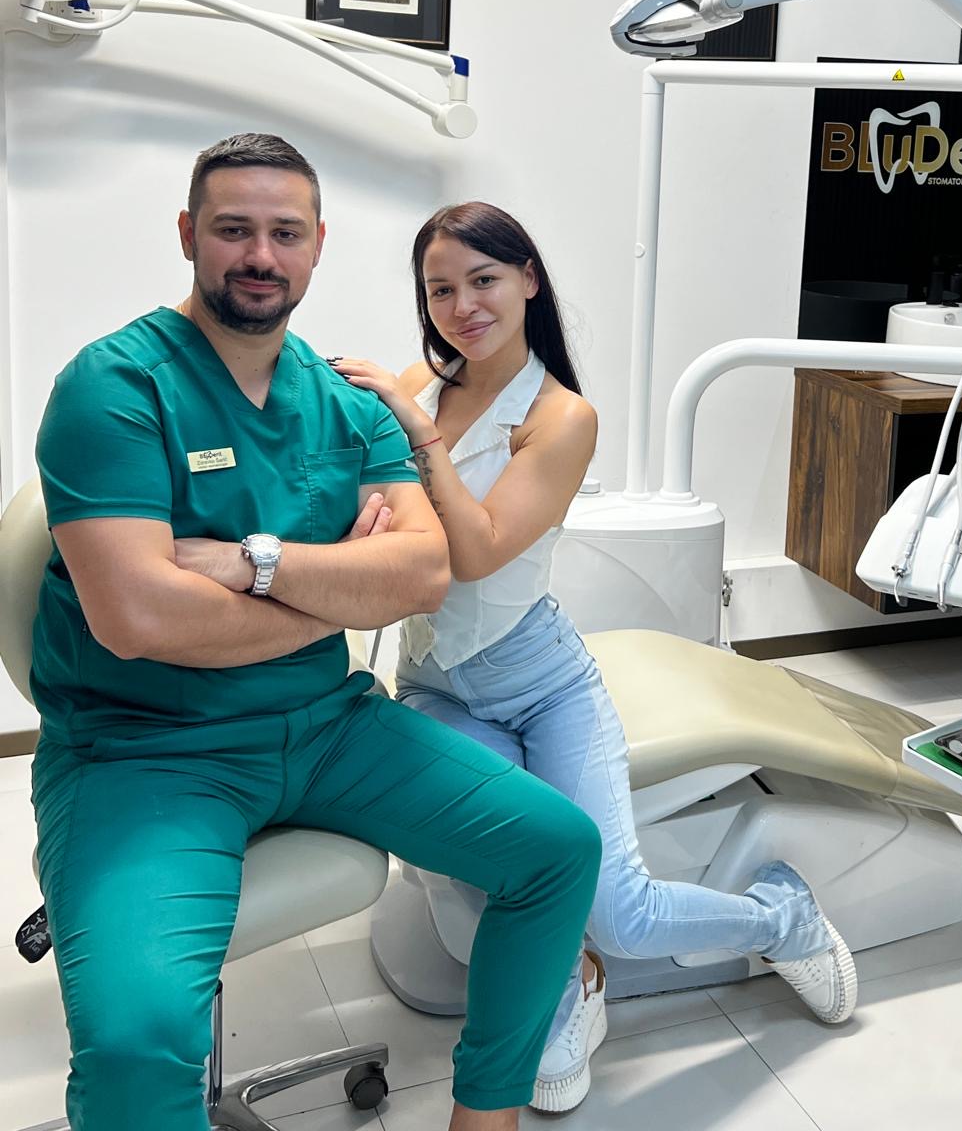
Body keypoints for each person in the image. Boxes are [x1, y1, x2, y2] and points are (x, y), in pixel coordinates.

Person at [30, 135, 601, 1131]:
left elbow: (424, 575)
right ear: (188, 235)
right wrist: (339, 589)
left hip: (329, 725)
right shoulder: (114, 388)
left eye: (285, 233)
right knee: (133, 1041)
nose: (262, 255)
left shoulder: (347, 401)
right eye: (234, 229)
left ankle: (487, 1115)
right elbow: (137, 618)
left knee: (556, 849)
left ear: (318, 245)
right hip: (146, 748)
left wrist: (247, 564)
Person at [333, 201, 858, 1117]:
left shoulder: (561, 415)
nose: (463, 307)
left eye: (484, 281)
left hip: (543, 686)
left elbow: (478, 550)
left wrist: (414, 431)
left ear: (529, 279)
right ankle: (573, 979)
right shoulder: (423, 381)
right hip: (436, 685)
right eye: (441, 290)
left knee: (622, 911)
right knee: (499, 863)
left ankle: (782, 917)